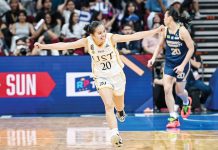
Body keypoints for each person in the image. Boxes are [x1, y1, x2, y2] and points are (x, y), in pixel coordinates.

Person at [33, 21, 164, 147]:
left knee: (119, 104)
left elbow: (134, 36)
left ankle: (120, 111)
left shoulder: (111, 38)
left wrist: (155, 31)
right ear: (92, 35)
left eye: (104, 31)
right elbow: (65, 45)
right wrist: (44, 46)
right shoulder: (87, 42)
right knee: (108, 104)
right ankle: (114, 134)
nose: (103, 35)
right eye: (100, 33)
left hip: (117, 76)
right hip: (101, 77)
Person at [147, 6, 195, 128]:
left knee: (179, 91)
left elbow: (191, 49)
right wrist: (153, 58)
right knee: (167, 89)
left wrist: (182, 65)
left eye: (165, 16)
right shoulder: (165, 30)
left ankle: (186, 101)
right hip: (169, 63)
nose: (163, 18)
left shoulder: (183, 31)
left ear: (170, 18)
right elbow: (159, 46)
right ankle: (173, 117)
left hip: (182, 64)